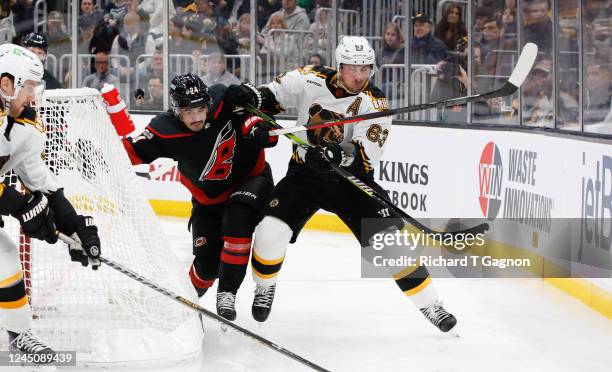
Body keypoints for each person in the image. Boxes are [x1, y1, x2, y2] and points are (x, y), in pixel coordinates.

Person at [227, 36, 457, 333]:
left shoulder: (375, 103)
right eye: (352, 69)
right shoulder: (310, 79)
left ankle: (431, 304)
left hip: (351, 181)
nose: (359, 76)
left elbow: (364, 155)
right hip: (304, 176)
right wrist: (249, 96)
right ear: (339, 66)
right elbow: (269, 96)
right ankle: (265, 287)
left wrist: (339, 154)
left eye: (365, 69)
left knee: (390, 243)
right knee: (272, 231)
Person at [121, 73, 277, 320]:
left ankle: (235, 291)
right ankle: (187, 302)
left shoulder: (224, 100)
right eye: (188, 112)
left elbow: (267, 109)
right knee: (206, 265)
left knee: (240, 219)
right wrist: (86, 154)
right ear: (176, 110)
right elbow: (128, 153)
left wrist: (258, 119)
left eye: (201, 109)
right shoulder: (164, 130)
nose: (196, 117)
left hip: (252, 180)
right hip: (208, 202)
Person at [0, 43, 101, 361]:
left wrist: (73, 226)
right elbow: (19, 201)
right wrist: (18, 205)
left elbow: (40, 180)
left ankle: (19, 335)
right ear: (7, 84)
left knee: (4, 256)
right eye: (28, 87)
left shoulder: (23, 124)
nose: (33, 97)